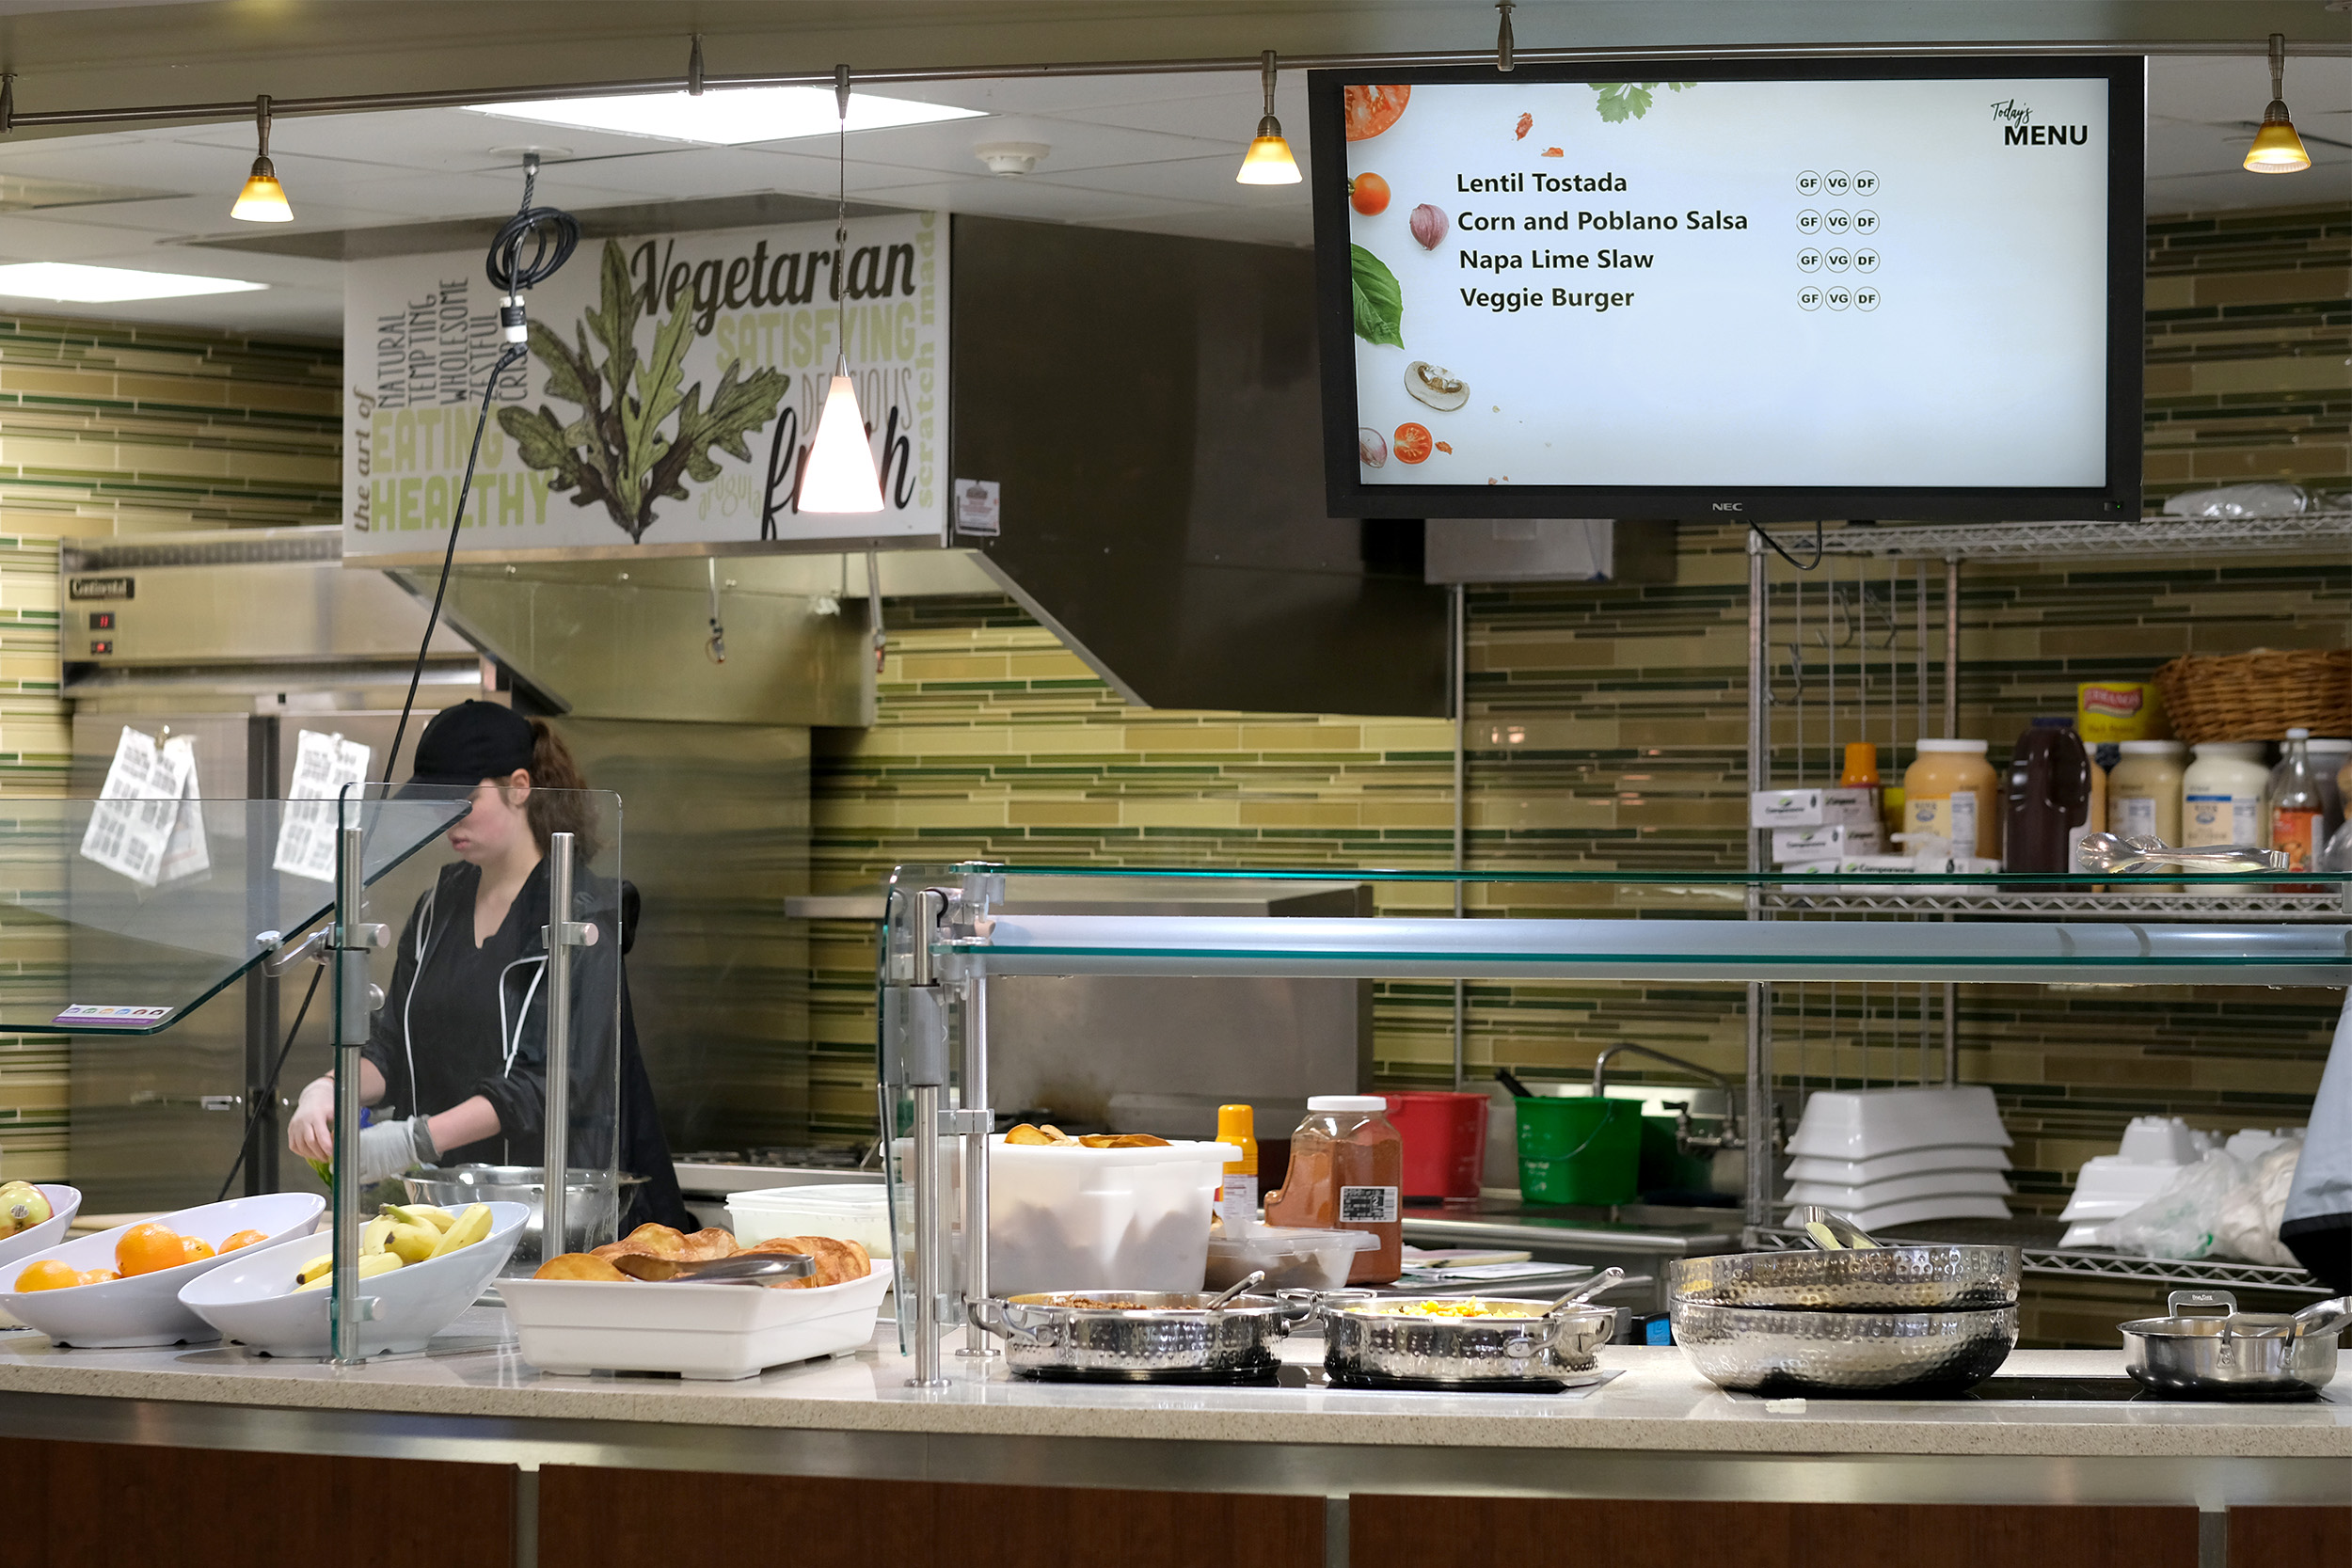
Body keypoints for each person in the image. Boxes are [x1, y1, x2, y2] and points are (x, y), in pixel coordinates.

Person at [287, 700, 691, 1233]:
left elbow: (548, 1081)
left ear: (520, 786)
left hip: (569, 1226)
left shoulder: (584, 914)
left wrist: (415, 1140)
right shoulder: (438, 908)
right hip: (454, 1216)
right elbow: (394, 1050)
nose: (447, 817)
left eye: (463, 798)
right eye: (437, 802)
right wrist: (326, 1089)